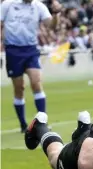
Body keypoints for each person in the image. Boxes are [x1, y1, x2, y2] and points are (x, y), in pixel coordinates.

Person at [0, 0, 61, 132]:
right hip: (13, 50)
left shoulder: (39, 6)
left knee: (36, 82)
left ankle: (42, 122)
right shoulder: (7, 4)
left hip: (31, 50)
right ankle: (23, 124)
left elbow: (51, 25)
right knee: (19, 88)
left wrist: (56, 13)